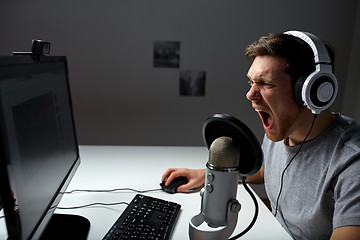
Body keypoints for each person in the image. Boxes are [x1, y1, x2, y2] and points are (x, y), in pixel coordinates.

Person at [161, 31, 360, 240]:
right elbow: (267, 170)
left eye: (266, 84)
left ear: (311, 91)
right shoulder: (283, 129)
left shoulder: (351, 164)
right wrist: (210, 176)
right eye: (251, 82)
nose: (250, 95)